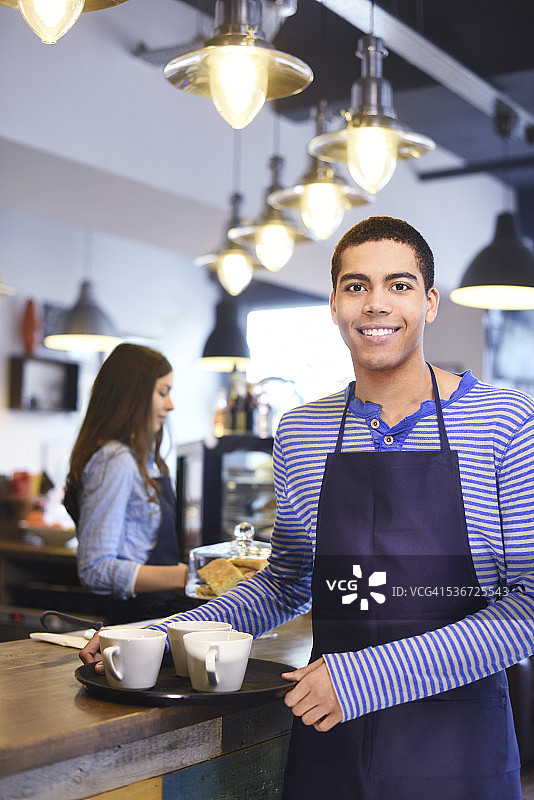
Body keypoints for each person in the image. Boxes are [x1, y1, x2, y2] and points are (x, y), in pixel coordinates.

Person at [81, 217, 534, 798]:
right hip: (330, 737)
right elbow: (287, 579)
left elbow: (527, 606)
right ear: (334, 303)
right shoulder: (303, 431)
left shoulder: (505, 423)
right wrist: (160, 634)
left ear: (430, 303)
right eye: (355, 286)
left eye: (398, 285)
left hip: (455, 741)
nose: (375, 305)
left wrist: (364, 679)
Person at [64, 343, 192, 624]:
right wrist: (190, 575)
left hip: (158, 620)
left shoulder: (147, 461)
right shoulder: (116, 460)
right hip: (133, 624)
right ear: (133, 397)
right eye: (162, 393)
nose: (170, 405)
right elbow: (95, 569)